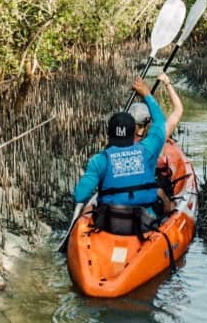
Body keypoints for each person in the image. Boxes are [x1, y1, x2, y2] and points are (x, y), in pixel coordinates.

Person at [73, 76, 167, 232]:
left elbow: (80, 196)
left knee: (89, 208)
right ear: (134, 133)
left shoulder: (99, 160)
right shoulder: (147, 150)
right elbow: (160, 123)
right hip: (145, 222)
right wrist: (146, 94)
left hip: (109, 223)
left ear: (108, 135)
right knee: (163, 204)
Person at [127, 71, 183, 215]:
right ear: (146, 125)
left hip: (127, 196)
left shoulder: (119, 143)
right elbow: (178, 110)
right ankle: (167, 210)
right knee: (159, 190)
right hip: (149, 190)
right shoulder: (157, 138)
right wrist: (167, 83)